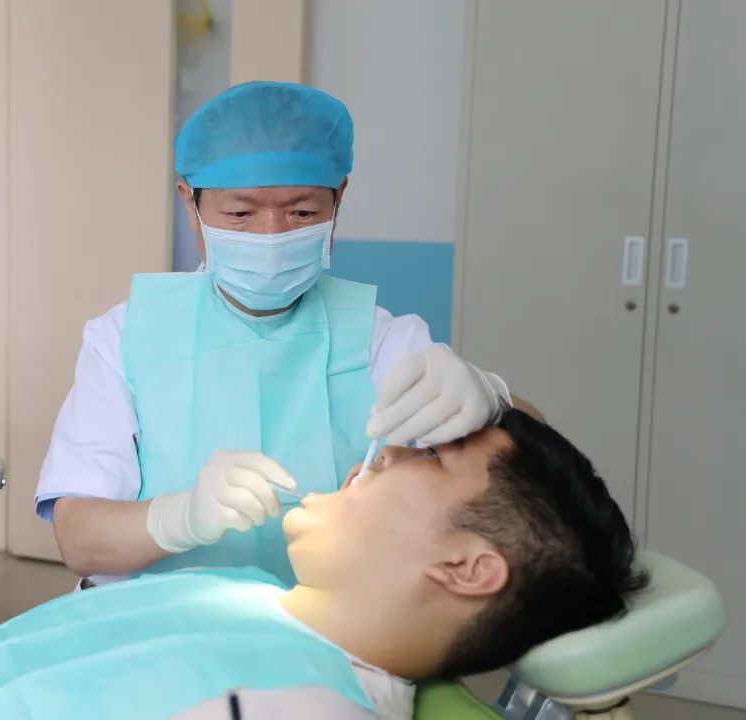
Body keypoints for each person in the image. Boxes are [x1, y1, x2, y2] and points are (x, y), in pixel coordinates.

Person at [0, 411, 645, 720]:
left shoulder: (301, 707)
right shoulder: (243, 591)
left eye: (433, 458)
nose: (389, 448)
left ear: (470, 568)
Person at [38, 80, 541, 586]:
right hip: (151, 619)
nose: (272, 236)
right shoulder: (125, 338)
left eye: (302, 213)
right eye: (241, 213)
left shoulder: (380, 339)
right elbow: (78, 538)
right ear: (190, 203)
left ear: (339, 198)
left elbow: (541, 466)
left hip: (324, 622)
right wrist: (179, 517)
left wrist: (492, 398)